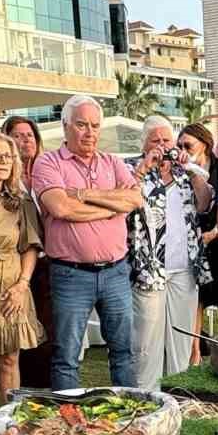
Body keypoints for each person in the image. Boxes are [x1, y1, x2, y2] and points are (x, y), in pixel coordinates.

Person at [29, 94, 142, 390]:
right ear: (66, 126)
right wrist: (111, 206)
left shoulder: (111, 162)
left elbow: (134, 199)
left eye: (94, 125)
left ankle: (128, 415)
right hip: (70, 274)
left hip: (116, 271)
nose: (89, 132)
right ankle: (70, 424)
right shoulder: (48, 163)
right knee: (66, 356)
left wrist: (82, 193)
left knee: (123, 353)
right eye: (81, 125)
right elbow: (61, 208)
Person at [126, 116, 212, 386]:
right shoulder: (131, 169)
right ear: (145, 145)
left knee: (182, 339)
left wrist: (192, 171)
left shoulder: (185, 173)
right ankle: (145, 398)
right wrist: (144, 168)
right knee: (146, 342)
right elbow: (124, 199)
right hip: (149, 270)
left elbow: (205, 204)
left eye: (167, 140)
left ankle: (177, 396)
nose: (162, 146)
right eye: (156, 140)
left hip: (185, 268)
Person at [0, 130, 45, 396]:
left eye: (8, 156)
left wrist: (22, 286)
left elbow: (30, 246)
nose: (4, 161)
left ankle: (8, 421)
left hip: (11, 288)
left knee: (9, 359)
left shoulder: (20, 201)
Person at [3, 115, 56, 388]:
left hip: (49, 261)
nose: (25, 140)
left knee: (49, 327)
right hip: (16, 263)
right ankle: (23, 388)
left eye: (29, 135)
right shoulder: (5, 180)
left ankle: (48, 387)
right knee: (19, 329)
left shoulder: (47, 173)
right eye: (18, 135)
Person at [181, 122, 218, 362]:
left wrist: (213, 233)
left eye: (188, 145)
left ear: (205, 145)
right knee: (195, 301)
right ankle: (195, 354)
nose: (183, 150)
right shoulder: (181, 171)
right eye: (179, 145)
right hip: (192, 244)